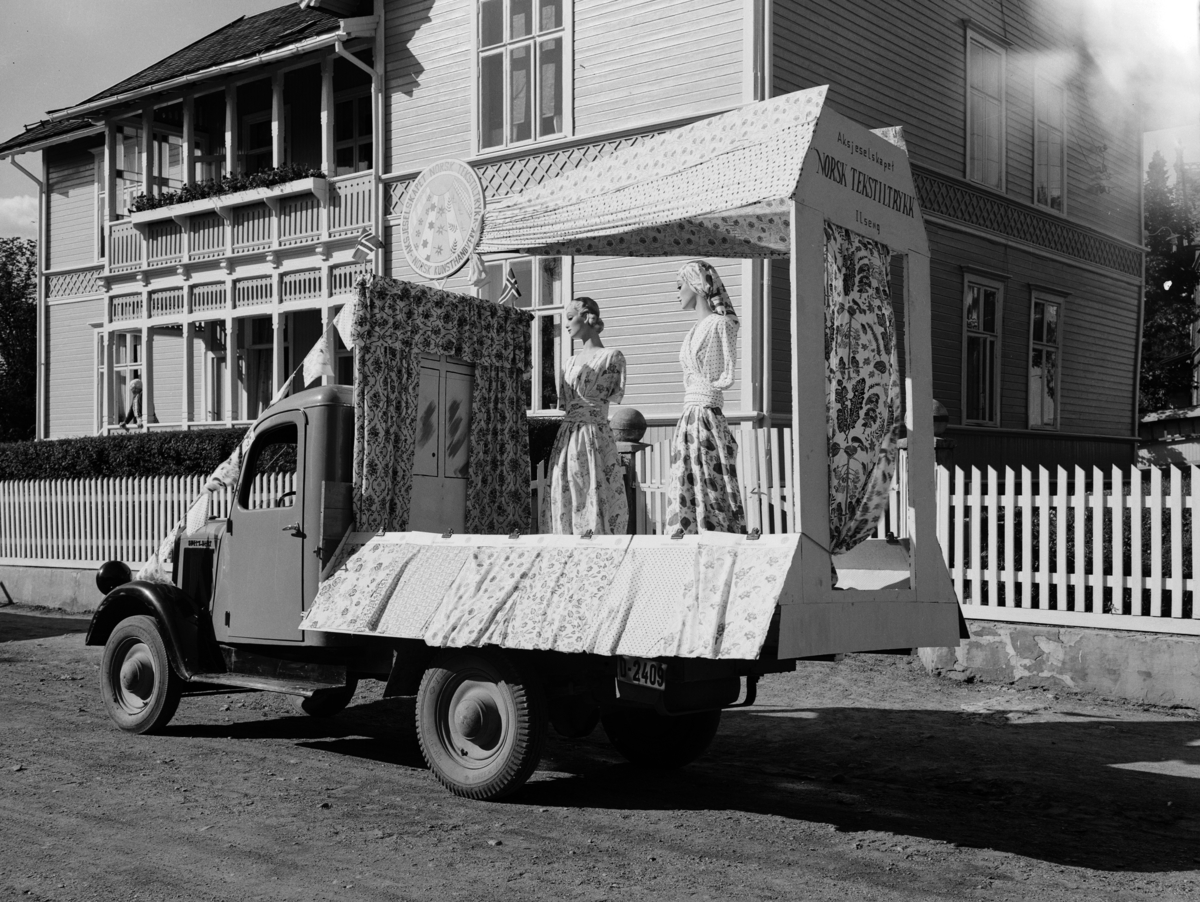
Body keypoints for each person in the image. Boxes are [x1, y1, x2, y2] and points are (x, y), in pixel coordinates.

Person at [666, 260, 747, 534]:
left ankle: (714, 534)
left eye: (680, 286)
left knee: (709, 483)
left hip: (705, 418)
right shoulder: (692, 332)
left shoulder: (720, 325)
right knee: (685, 483)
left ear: (696, 285)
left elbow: (721, 376)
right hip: (689, 418)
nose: (677, 293)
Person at [541, 296, 629, 535]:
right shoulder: (568, 364)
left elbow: (608, 396)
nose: (567, 324)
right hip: (567, 437)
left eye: (570, 318)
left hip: (594, 434)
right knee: (565, 490)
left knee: (594, 487)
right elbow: (566, 403)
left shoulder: (612, 357)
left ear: (587, 316)